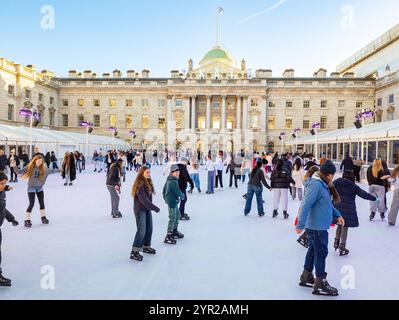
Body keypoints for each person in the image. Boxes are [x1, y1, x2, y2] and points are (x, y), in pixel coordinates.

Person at [296, 160, 345, 296]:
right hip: (316, 227)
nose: (333, 177)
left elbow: (327, 204)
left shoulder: (322, 185)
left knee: (313, 250)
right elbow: (305, 204)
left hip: (318, 225)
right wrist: (300, 224)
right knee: (321, 252)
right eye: (333, 175)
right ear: (329, 175)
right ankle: (320, 283)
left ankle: (306, 276)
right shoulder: (316, 185)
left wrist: (338, 215)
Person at [333, 170, 376, 256]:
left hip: (337, 207)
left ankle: (336, 242)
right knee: (345, 226)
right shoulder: (353, 186)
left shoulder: (337, 182)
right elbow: (364, 194)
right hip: (348, 210)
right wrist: (374, 198)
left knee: (339, 224)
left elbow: (328, 187)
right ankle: (342, 245)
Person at [19, 155, 60, 228]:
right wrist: (14, 166)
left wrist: (60, 170)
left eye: (41, 161)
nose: (40, 163)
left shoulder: (44, 169)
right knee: (31, 203)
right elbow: (19, 172)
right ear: (35, 161)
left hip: (40, 188)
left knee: (42, 202)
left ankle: (43, 217)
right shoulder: (29, 167)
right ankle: (27, 220)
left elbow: (52, 170)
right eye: (38, 161)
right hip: (31, 188)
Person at [130, 166, 160, 262]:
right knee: (141, 230)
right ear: (142, 173)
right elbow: (143, 200)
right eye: (147, 172)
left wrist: (150, 208)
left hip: (146, 209)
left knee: (149, 228)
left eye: (149, 172)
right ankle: (134, 251)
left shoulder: (147, 182)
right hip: (140, 210)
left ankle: (146, 246)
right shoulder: (140, 184)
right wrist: (154, 208)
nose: (149, 174)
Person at [0, 172, 19, 287]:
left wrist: (11, 219)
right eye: (1, 183)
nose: (3, 186)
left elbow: (3, 209)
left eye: (4, 184)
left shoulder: (1, 193)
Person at [162, 164, 185, 245]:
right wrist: (182, 196)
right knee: (172, 217)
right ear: (172, 172)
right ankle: (168, 235)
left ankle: (174, 231)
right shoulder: (172, 181)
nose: (178, 173)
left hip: (173, 201)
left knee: (177, 215)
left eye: (178, 171)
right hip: (172, 201)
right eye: (176, 171)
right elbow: (177, 191)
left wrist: (165, 197)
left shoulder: (170, 179)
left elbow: (164, 189)